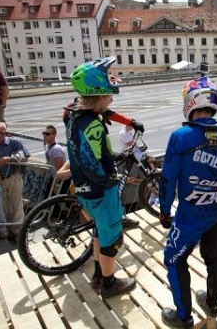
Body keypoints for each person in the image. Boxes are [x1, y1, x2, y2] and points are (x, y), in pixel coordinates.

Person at [159, 76, 217, 328]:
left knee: (174, 258)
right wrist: (216, 199)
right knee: (214, 256)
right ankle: (213, 302)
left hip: (190, 214)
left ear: (190, 103)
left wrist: (163, 211)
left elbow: (167, 180)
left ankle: (183, 317)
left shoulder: (180, 136)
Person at [65, 56, 138, 298]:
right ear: (97, 96)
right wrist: (108, 179)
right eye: (108, 96)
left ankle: (97, 275)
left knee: (99, 230)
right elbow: (89, 161)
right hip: (100, 192)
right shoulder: (93, 125)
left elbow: (81, 153)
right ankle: (108, 283)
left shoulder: (73, 115)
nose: (111, 99)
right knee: (112, 240)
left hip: (84, 190)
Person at [0, 121, 30, 241]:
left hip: (13, 176)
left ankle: (18, 231)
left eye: (2, 133)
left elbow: (24, 156)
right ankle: (8, 228)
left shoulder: (15, 143)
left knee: (16, 204)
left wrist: (9, 158)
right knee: (3, 206)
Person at [43, 125, 70, 195]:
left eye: (47, 134)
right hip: (54, 178)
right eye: (44, 133)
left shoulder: (56, 149)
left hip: (62, 181)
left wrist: (56, 184)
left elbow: (60, 169)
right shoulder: (47, 147)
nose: (45, 136)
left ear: (54, 135)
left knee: (67, 202)